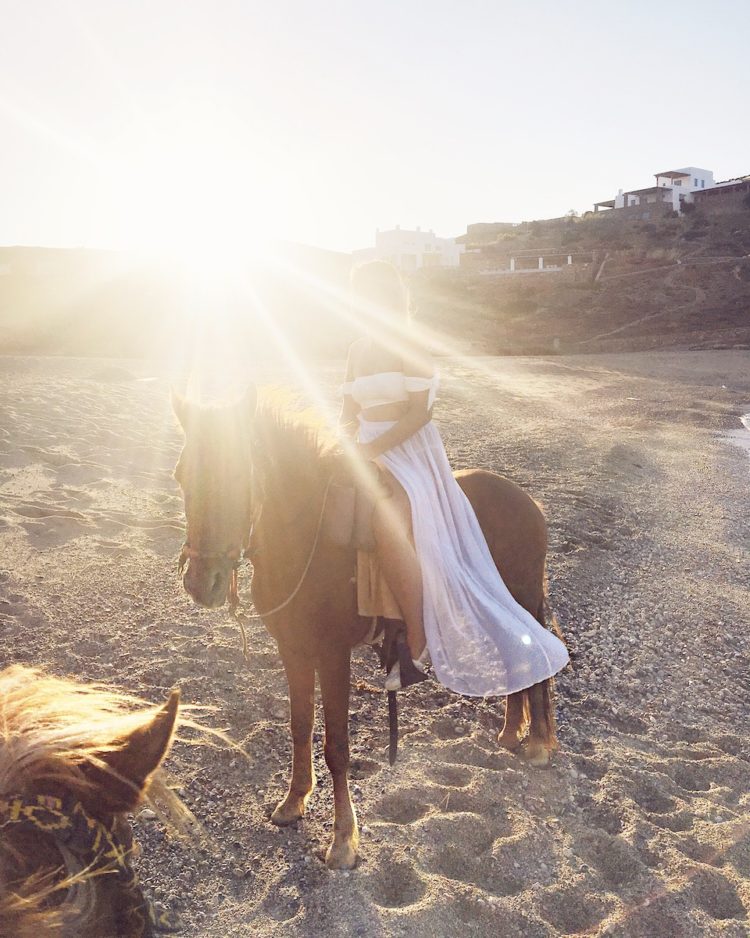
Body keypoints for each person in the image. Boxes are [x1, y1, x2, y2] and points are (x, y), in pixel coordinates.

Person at [339, 260, 569, 694]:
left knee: (388, 520)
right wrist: (345, 444)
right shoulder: (356, 350)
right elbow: (348, 413)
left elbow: (418, 413)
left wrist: (373, 449)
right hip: (364, 448)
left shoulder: (409, 344)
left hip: (408, 451)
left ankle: (415, 639)